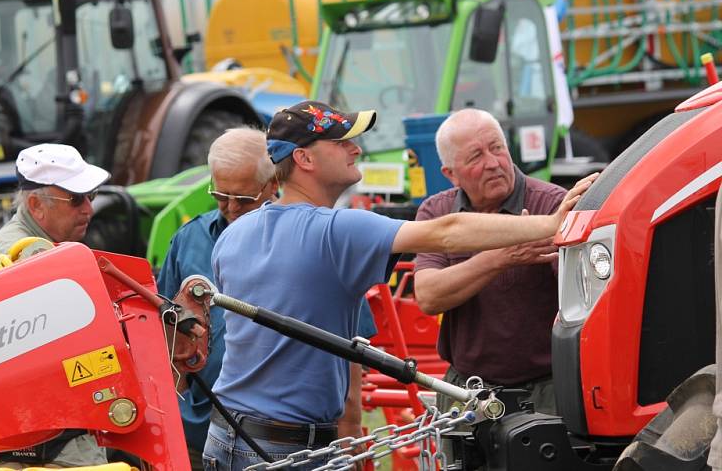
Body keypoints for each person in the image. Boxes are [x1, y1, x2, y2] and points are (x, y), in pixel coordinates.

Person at [204, 101, 596, 471]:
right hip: (286, 448)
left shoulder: (234, 235)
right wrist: (549, 224)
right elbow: (446, 232)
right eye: (341, 141)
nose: (355, 149)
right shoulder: (338, 230)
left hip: (224, 436)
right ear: (304, 159)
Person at [158, 127, 380, 470]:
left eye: (243, 198)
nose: (230, 207)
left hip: (282, 440)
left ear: (273, 182)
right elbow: (167, 333)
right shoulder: (189, 240)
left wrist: (349, 429)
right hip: (200, 434)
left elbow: (347, 343)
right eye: (221, 195)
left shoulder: (315, 240)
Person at [413, 109, 564, 453]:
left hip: (548, 392)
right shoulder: (437, 213)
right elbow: (428, 296)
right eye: (476, 157)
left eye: (497, 148)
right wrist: (503, 256)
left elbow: (583, 299)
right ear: (450, 174)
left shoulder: (553, 206)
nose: (494, 163)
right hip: (467, 390)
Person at [0, 143, 110, 469]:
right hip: (51, 448)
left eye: (91, 196)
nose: (89, 209)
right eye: (76, 199)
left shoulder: (45, 246)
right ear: (36, 204)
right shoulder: (21, 254)